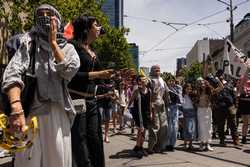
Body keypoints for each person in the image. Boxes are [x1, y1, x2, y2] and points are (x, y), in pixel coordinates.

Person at [1, 4, 80, 167]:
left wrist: (53, 43)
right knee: (27, 161)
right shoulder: (28, 43)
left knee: (57, 160)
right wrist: (16, 108)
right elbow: (12, 72)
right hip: (30, 114)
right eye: (40, 14)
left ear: (58, 20)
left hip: (57, 113)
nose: (44, 17)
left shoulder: (69, 48)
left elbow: (69, 71)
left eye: (49, 14)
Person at [68, 15, 113, 167]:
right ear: (87, 29)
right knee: (80, 140)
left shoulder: (92, 50)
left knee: (95, 138)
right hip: (76, 100)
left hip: (92, 101)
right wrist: (99, 74)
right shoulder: (72, 46)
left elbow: (101, 79)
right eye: (96, 25)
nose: (99, 28)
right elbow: (72, 76)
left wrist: (116, 77)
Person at [215, 70, 239, 146]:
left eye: (221, 74)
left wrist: (235, 105)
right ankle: (222, 140)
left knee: (233, 124)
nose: (220, 75)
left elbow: (233, 95)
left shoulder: (229, 83)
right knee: (221, 125)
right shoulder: (215, 84)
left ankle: (235, 139)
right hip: (220, 106)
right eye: (219, 74)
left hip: (230, 106)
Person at [129, 76, 152, 158]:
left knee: (144, 131)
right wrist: (128, 110)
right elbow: (130, 101)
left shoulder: (149, 91)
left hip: (146, 114)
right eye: (141, 80)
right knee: (140, 131)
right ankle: (138, 148)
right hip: (138, 113)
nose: (143, 81)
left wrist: (151, 113)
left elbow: (149, 103)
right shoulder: (136, 91)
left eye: (144, 80)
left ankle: (139, 147)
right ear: (139, 82)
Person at [149, 65, 170, 153]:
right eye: (156, 70)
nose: (158, 72)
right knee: (155, 127)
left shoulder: (162, 80)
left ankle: (160, 146)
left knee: (164, 126)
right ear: (152, 71)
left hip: (162, 105)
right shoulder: (149, 80)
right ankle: (151, 147)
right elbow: (147, 93)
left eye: (159, 70)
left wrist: (167, 103)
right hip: (153, 105)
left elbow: (166, 93)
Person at [236, 67, 250, 144]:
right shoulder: (242, 81)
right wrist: (247, 69)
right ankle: (244, 138)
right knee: (246, 122)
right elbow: (242, 82)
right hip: (244, 104)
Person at [182, 83, 196, 150]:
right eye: (187, 89)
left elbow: (195, 103)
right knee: (186, 129)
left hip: (192, 112)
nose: (189, 90)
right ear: (184, 89)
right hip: (185, 112)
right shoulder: (182, 95)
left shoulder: (192, 96)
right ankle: (185, 144)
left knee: (191, 129)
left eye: (190, 89)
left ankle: (190, 144)